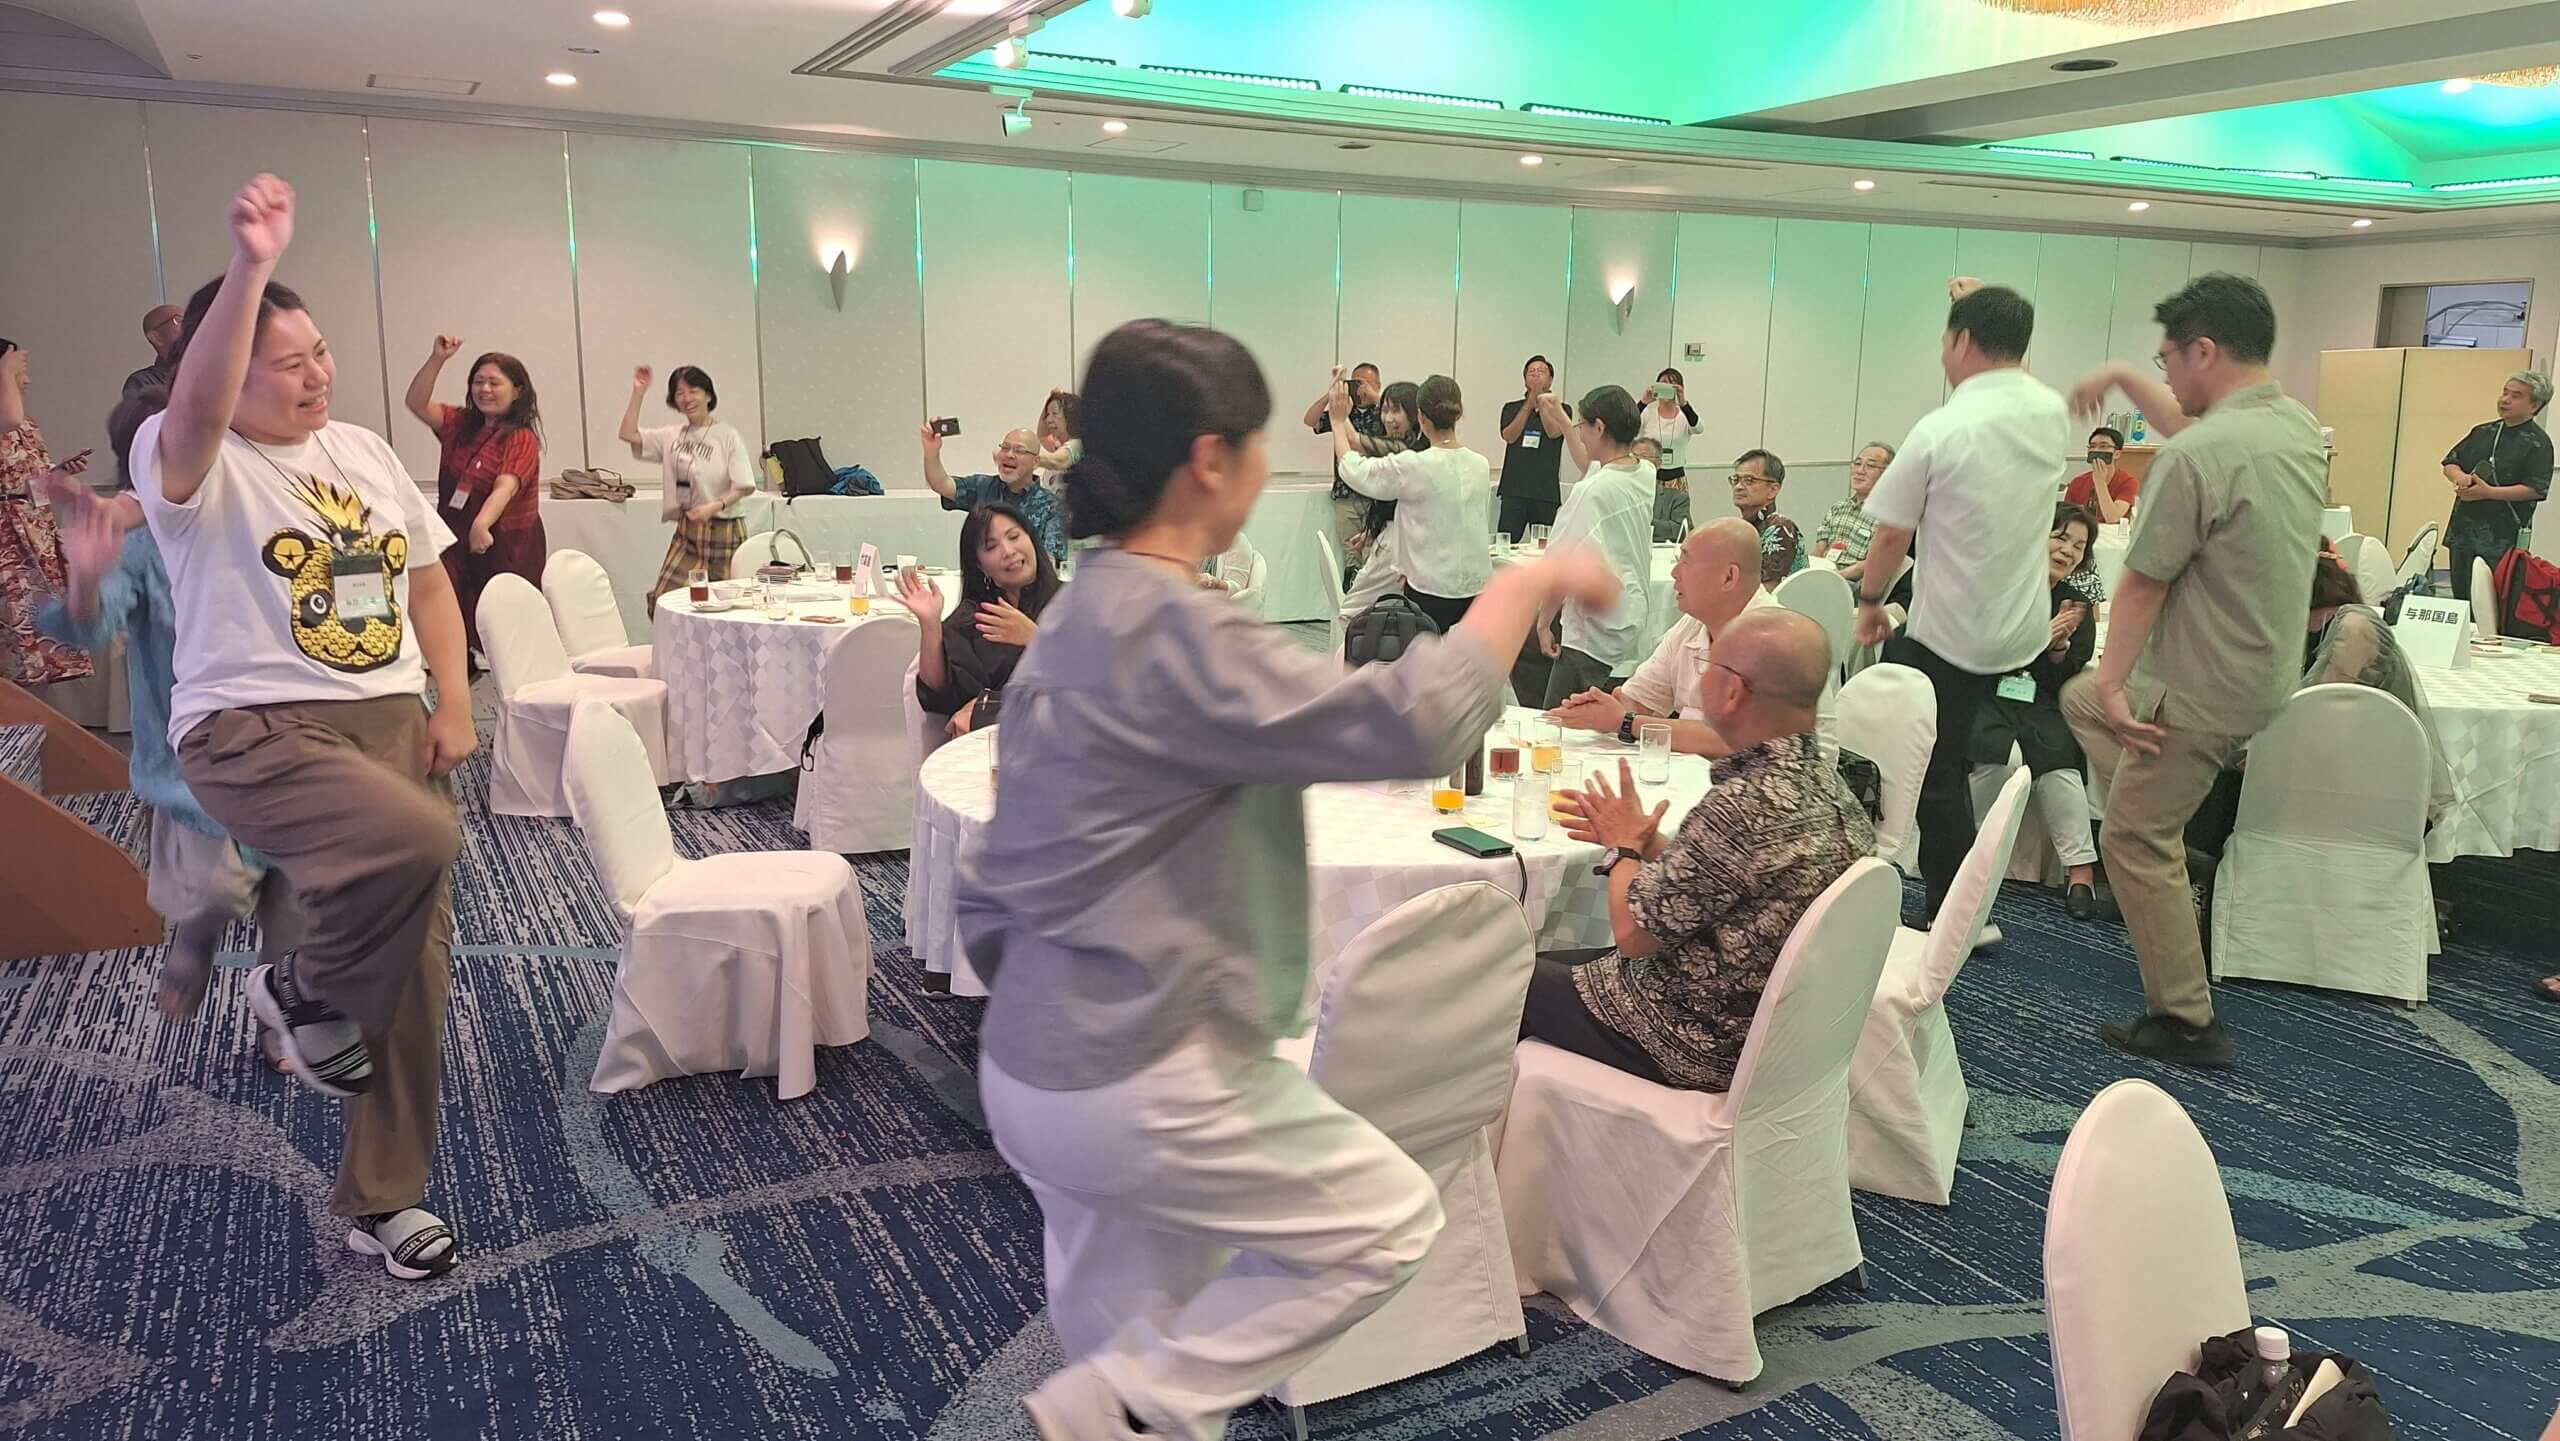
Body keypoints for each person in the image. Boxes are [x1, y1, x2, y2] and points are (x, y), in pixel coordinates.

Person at [957, 317, 1618, 1441]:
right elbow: (1412, 721)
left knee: (1132, 1358)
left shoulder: (1080, 615)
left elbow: (996, 872)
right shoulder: (1173, 623)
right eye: (1259, 442)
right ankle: (1140, 1400)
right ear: (1210, 459)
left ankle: (1134, 1402)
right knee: (1380, 1223)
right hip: (1140, 1067)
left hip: (1035, 1057)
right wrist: (1527, 583)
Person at [138, 173, 474, 1278]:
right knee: (417, 840)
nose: (318, 374)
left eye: (320, 353)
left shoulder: (365, 450)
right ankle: (299, 987)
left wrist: (453, 697)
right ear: (229, 369)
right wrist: (251, 267)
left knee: (416, 972)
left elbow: (427, 580)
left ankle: (386, 1198)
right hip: (257, 729)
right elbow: (197, 404)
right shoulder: (188, 457)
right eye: (287, 363)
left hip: (389, 724)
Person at [2061, 271, 2326, 1069]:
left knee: (2132, 836)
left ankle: (2184, 1019)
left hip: (2198, 684)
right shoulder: (2291, 424)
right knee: (2080, 700)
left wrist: (2117, 681)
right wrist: (2120, 375)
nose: (2167, 375)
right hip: (2263, 673)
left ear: (2203, 351)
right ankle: (2172, 818)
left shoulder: (2197, 454)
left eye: (2168, 358)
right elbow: (2190, 426)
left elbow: (2141, 584)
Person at [40, 390, 307, 1030]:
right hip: (198, 758)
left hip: (292, 740)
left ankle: (286, 1013)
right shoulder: (141, 542)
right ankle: (195, 937)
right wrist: (85, 577)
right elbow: (86, 626)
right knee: (215, 888)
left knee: (299, 893)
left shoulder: (265, 515)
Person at [1522, 608, 1874, 1089]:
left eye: (1709, 667)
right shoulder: (1830, 789)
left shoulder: (1742, 806)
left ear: (1731, 691)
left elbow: (1633, 936)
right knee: (1539, 962)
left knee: (1492, 980)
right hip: (1783, 1035)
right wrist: (1650, 843)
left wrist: (1623, 850)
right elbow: (1731, 881)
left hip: (1694, 1034)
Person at [1854, 279, 2071, 928]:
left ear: (1963, 340)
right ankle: (1955, 897)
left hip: (1954, 632)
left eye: (1946, 339)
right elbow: (2017, 376)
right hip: (2021, 628)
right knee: (1948, 749)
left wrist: (1870, 600)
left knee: (1930, 764)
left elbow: (1891, 534)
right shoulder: (2050, 411)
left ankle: (1958, 915)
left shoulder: (1941, 427)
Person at [1970, 505, 2107, 919]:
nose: (2068, 551)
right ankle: (1967, 852)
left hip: (2039, 700)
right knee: (2000, 756)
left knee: (2059, 760)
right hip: (1987, 694)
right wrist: (2037, 638)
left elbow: (2066, 676)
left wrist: (2060, 647)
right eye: (2061, 538)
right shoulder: (2002, 587)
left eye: (2078, 546)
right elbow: (1982, 654)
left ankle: (2080, 872)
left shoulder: (2076, 604)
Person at [1547, 517, 1771, 758]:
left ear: (1728, 577)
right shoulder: (1692, 625)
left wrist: (1627, 722)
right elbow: (1638, 700)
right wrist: (1602, 709)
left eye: (1686, 562)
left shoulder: (1772, 639)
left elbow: (1734, 740)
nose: (1674, 573)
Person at [404, 337, 544, 659]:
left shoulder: (521, 437)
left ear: (518, 391)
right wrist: (438, 358)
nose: (485, 389)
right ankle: (458, 669)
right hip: (455, 536)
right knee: (450, 607)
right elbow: (416, 402)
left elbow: (506, 487)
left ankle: (515, 674)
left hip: (503, 543)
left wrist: (481, 525)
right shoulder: (460, 423)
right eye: (478, 382)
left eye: (495, 382)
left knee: (501, 619)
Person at [1332, 372, 1491, 632]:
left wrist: (1338, 423)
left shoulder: (1415, 464)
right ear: (1459, 413)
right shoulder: (1481, 464)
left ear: (1421, 417)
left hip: (1431, 588)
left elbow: (1354, 470)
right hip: (1476, 587)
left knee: (1421, 650)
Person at [1533, 384, 1656, 706]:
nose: (1580, 434)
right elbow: (1592, 466)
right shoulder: (1645, 472)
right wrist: (1562, 419)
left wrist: (1544, 622)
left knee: (1562, 720)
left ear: (1599, 427)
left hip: (1592, 630)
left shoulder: (1591, 492)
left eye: (1582, 426)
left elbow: (1561, 565)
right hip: (1631, 612)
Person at [895, 500, 1060, 737]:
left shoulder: (1073, 602)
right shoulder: (974, 617)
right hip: (986, 745)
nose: (1008, 551)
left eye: (1014, 536)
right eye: (991, 546)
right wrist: (930, 625)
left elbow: (1095, 682)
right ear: (980, 566)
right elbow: (940, 693)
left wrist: (1035, 639)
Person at [620, 363, 754, 614]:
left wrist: (714, 507)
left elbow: (745, 486)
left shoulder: (727, 435)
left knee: (725, 606)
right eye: (680, 393)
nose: (687, 398)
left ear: (708, 395)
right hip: (688, 531)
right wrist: (638, 392)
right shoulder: (672, 435)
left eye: (693, 391)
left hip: (723, 529)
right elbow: (628, 434)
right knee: (663, 601)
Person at [0, 338, 96, 687]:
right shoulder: (10, 419)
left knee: (38, 621)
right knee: (13, 618)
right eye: (18, 372)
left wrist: (59, 473)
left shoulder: (27, 424)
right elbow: (8, 418)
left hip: (33, 529)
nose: (25, 380)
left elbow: (32, 485)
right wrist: (5, 368)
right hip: (7, 536)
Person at [2442, 369, 2553, 603]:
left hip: (2502, 536)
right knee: (2461, 597)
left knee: (2492, 602)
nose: (2505, 400)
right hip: (2464, 530)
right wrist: (2459, 477)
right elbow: (2450, 462)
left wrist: (2489, 493)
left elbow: (2535, 489)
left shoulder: (2539, 443)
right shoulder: (2483, 431)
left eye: (2516, 395)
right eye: (2505, 392)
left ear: (2535, 405)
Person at [924, 421, 1066, 565]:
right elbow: (942, 485)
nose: (1009, 455)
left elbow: (1051, 562)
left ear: (1035, 462)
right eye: (1005, 448)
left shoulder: (1052, 506)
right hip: (984, 575)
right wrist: (931, 452)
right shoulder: (982, 486)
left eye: (1019, 451)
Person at [1303, 359, 1384, 566]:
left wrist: (1376, 397)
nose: (1360, 390)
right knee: (1351, 556)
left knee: (1379, 554)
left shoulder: (1385, 414)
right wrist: (1332, 395)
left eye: (1366, 384)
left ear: (1378, 385)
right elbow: (1310, 420)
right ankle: (1352, 585)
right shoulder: (1343, 412)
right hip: (1346, 494)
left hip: (1377, 495)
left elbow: (1410, 423)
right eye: (1355, 384)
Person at [1496, 354, 1570, 541]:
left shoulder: (1562, 409)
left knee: (1544, 546)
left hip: (1544, 491)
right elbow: (1509, 436)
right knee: (1505, 543)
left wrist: (1542, 404)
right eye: (1531, 372)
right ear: (1524, 379)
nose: (1536, 375)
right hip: (1514, 489)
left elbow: (1553, 432)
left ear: (1550, 380)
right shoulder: (1511, 408)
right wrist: (1529, 404)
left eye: (1541, 371)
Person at [1814, 440, 1893, 582]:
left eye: (1870, 466)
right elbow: (1819, 551)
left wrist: (1836, 578)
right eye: (1857, 463)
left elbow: (1873, 564)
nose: (1860, 471)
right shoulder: (1838, 508)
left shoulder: (1888, 517)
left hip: (1852, 583)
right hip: (1824, 577)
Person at [1641, 367, 1701, 542]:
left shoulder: (1684, 415)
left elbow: (1698, 427)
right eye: (1663, 383)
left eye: (1672, 383)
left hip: (1676, 476)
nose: (1667, 386)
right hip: (1651, 474)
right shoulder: (1648, 413)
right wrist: (1643, 401)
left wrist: (1683, 403)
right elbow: (1629, 425)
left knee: (1679, 523)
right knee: (1649, 517)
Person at [1730, 448, 1803, 587]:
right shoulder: (1743, 528)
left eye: (1749, 480)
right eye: (1736, 480)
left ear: (1773, 490)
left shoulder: (1780, 529)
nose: (1738, 487)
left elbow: (1765, 592)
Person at [2065, 426, 2139, 523]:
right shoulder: (2077, 482)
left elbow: (2112, 518)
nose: (2096, 450)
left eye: (2103, 446)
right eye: (2092, 446)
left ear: (2117, 454)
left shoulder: (2128, 482)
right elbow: (2065, 518)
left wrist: (2100, 482)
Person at [125, 303, 185, 400]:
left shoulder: (205, 370)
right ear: (156, 338)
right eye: (179, 320)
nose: (189, 325)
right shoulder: (144, 383)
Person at [1035, 387, 1083, 483]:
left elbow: (1056, 461)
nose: (1048, 420)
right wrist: (1051, 399)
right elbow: (1042, 435)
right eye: (1047, 414)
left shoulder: (1077, 445)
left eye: (1054, 413)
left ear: (1070, 416)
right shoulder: (1059, 445)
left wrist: (1026, 458)